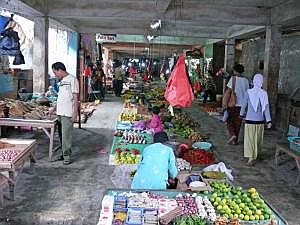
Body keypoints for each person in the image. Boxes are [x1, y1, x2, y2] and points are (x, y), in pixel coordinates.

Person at [49, 62, 79, 165]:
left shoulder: (72, 79)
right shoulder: (62, 82)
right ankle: (63, 153)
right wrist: (53, 109)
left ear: (60, 70)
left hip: (67, 113)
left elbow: (75, 98)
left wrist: (75, 113)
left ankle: (67, 156)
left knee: (66, 135)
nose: (55, 75)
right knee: (61, 135)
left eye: (55, 72)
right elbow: (60, 98)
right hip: (60, 113)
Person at [240, 74, 272, 166]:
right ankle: (254, 155)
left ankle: (251, 158)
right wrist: (269, 121)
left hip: (249, 120)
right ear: (261, 82)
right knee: (257, 139)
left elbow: (243, 105)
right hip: (260, 121)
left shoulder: (248, 92)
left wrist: (241, 115)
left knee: (250, 139)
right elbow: (266, 109)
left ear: (253, 81)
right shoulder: (264, 93)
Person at [225, 64, 249, 145]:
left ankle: (233, 134)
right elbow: (247, 93)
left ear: (235, 70)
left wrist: (224, 103)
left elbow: (228, 92)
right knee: (238, 123)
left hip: (233, 104)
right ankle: (235, 141)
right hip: (242, 105)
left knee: (229, 121)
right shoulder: (246, 80)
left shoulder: (233, 79)